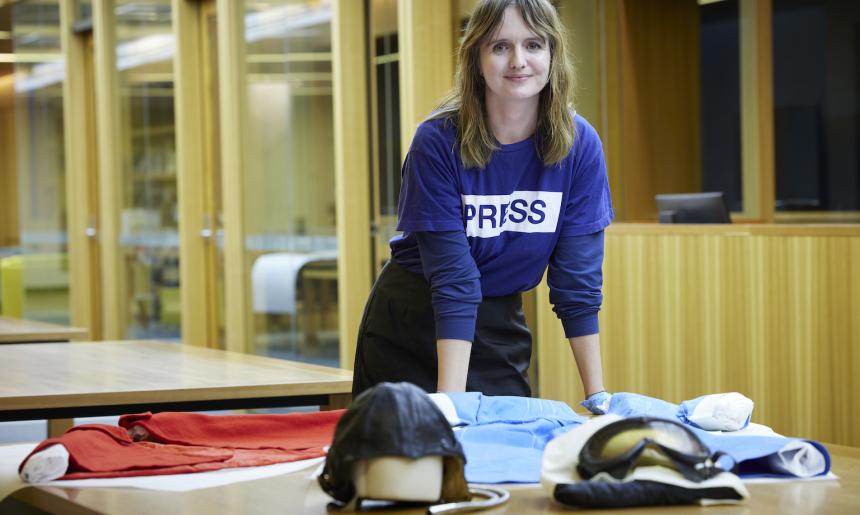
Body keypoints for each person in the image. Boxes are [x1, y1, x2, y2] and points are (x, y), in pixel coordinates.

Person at [352, 0, 613, 414]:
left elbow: (577, 282)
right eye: (499, 47)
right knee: (423, 463)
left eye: (533, 44)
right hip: (416, 321)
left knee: (509, 464)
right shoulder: (437, 141)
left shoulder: (579, 145)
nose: (518, 61)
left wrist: (599, 398)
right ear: (475, 58)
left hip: (498, 321)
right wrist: (451, 408)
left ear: (553, 54)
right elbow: (453, 282)